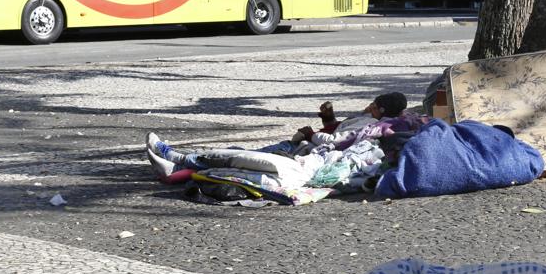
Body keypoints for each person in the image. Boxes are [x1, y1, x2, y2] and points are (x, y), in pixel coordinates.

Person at [144, 92, 410, 181]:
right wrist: (328, 119)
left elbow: (339, 142)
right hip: (301, 147)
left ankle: (176, 160)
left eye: (374, 105)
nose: (368, 106)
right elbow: (336, 131)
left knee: (240, 158)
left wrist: (312, 136)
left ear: (381, 110)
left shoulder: (376, 127)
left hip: (303, 153)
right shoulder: (367, 120)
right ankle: (178, 166)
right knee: (239, 155)